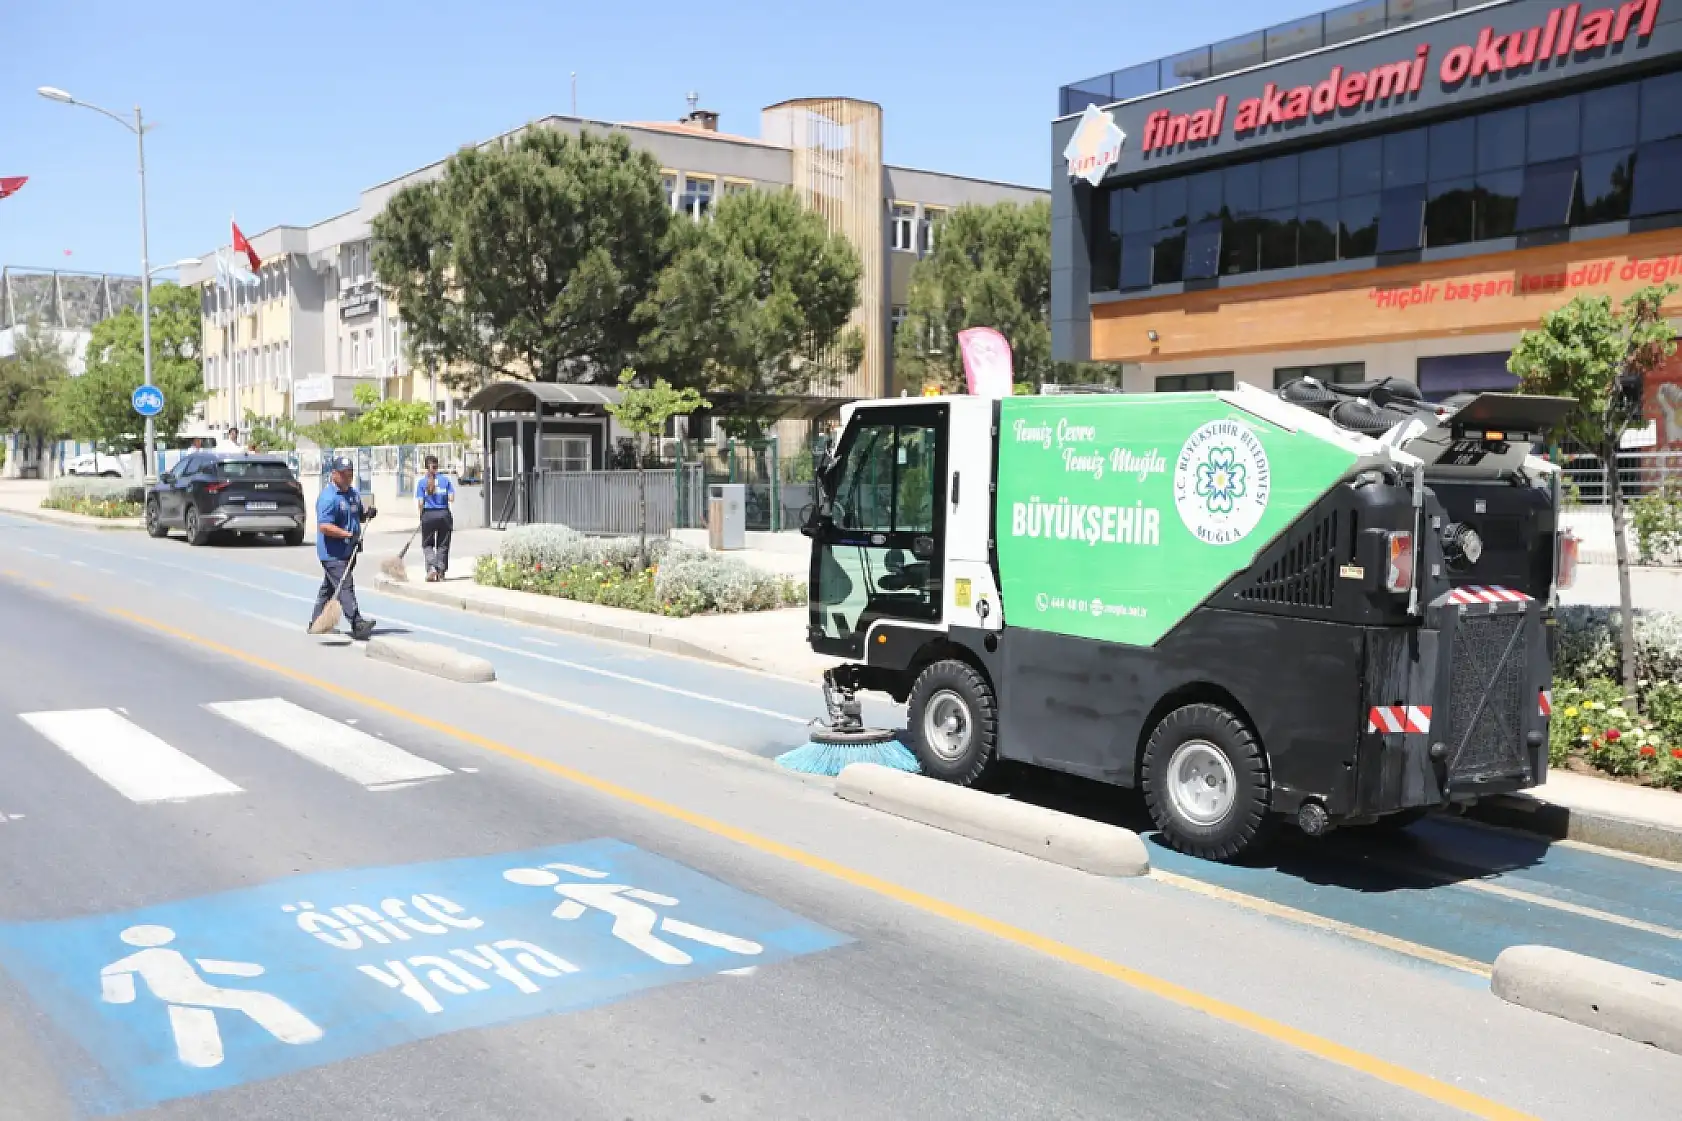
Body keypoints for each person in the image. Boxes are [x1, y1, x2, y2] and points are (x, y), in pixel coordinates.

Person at [310, 454, 377, 639]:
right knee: (345, 585)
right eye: (344, 473)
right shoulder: (328, 498)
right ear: (334, 475)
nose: (348, 477)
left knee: (330, 587)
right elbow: (324, 526)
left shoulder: (353, 494)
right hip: (332, 553)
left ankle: (316, 622)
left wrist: (368, 514)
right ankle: (357, 622)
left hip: (350, 550)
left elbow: (358, 516)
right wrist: (347, 535)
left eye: (350, 473)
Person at [415, 454, 456, 581]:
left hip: (428, 515)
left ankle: (432, 567)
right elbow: (451, 499)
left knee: (427, 545)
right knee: (443, 545)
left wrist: (421, 516)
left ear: (426, 467)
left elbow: (420, 503)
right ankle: (441, 571)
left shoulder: (422, 482)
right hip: (444, 514)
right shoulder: (446, 480)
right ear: (437, 466)